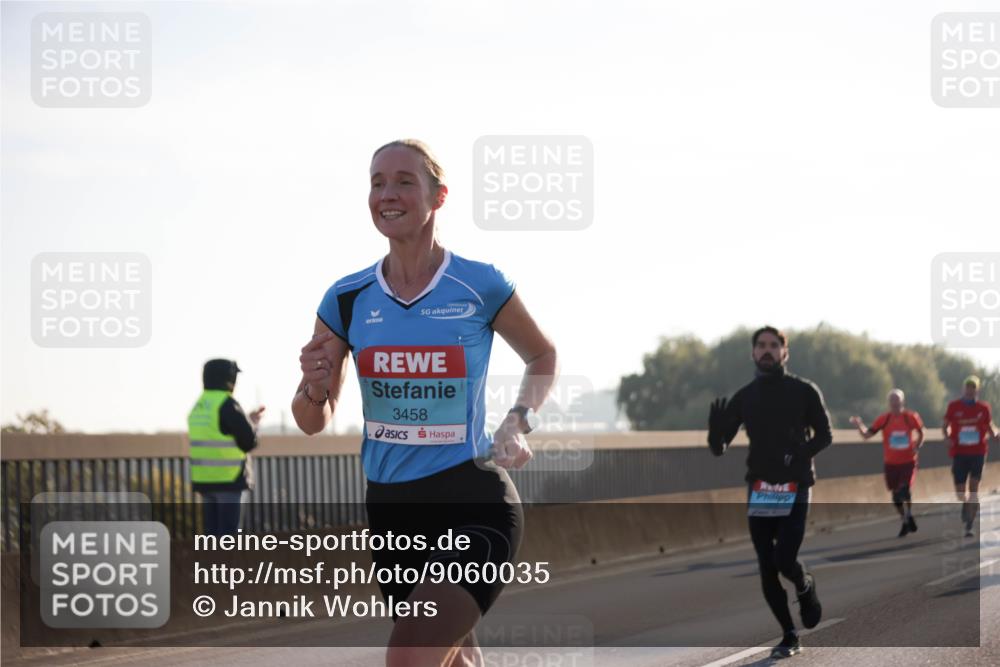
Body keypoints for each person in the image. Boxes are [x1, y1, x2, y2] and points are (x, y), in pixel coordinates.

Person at [291, 139, 557, 667]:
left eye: (404, 181)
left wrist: (516, 423)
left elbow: (542, 354)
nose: (387, 194)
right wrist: (315, 386)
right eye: (376, 183)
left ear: (438, 197)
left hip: (471, 500)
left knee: (410, 656)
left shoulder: (478, 284)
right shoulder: (346, 298)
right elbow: (310, 421)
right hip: (392, 512)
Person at [707, 326, 832, 660]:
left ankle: (804, 585)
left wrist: (800, 454)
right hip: (761, 486)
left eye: (773, 346)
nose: (767, 350)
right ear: (752, 353)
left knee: (784, 559)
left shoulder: (804, 391)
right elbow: (720, 447)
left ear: (784, 353)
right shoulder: (745, 397)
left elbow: (825, 435)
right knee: (766, 565)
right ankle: (789, 634)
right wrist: (714, 435)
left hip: (795, 485)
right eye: (761, 346)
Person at [187, 359, 265, 536]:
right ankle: (226, 565)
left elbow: (219, 431)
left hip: (205, 481)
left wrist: (247, 419)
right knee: (229, 539)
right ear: (230, 380)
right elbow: (249, 441)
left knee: (212, 537)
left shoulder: (200, 406)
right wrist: (253, 424)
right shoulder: (227, 404)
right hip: (229, 481)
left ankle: (211, 565)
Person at [849, 389, 925, 537]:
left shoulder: (910, 417)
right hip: (891, 463)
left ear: (902, 402)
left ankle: (909, 514)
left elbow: (921, 432)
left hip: (908, 461)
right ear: (889, 403)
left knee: (905, 490)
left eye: (897, 401)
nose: (895, 404)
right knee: (896, 497)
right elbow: (867, 435)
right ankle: (905, 519)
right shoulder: (884, 419)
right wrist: (859, 425)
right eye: (892, 401)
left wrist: (917, 445)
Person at [943, 375, 998, 538]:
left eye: (973, 387)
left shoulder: (983, 407)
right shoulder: (954, 406)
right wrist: (947, 437)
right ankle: (967, 504)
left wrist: (995, 434)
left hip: (978, 452)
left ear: (977, 389)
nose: (970, 390)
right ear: (963, 389)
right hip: (959, 453)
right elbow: (946, 426)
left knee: (974, 487)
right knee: (960, 493)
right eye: (967, 387)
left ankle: (969, 525)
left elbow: (989, 426)